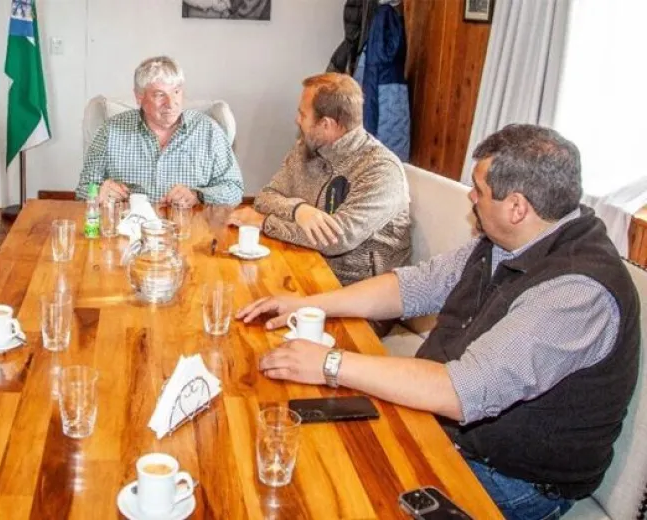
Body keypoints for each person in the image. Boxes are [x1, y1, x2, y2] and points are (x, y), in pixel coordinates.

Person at [237, 124, 640, 520]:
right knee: (299, 441)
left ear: (517, 207)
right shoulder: (509, 241)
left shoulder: (576, 292)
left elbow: (462, 390)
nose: (471, 197)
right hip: (443, 426)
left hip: (510, 478)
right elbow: (413, 287)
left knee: (330, 489)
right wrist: (310, 305)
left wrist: (330, 363)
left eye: (478, 189)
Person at [227, 72, 410, 287]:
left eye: (302, 114)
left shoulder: (380, 169)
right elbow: (265, 197)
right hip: (302, 266)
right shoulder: (305, 149)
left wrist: (265, 223)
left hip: (355, 289)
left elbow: (336, 239)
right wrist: (298, 210)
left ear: (326, 124)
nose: (297, 120)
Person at [75, 55, 244, 206]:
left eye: (176, 92)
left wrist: (199, 195)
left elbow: (234, 189)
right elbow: (83, 190)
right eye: (159, 95)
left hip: (187, 228)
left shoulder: (209, 131)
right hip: (130, 227)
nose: (171, 103)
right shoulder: (111, 131)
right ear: (139, 97)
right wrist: (98, 192)